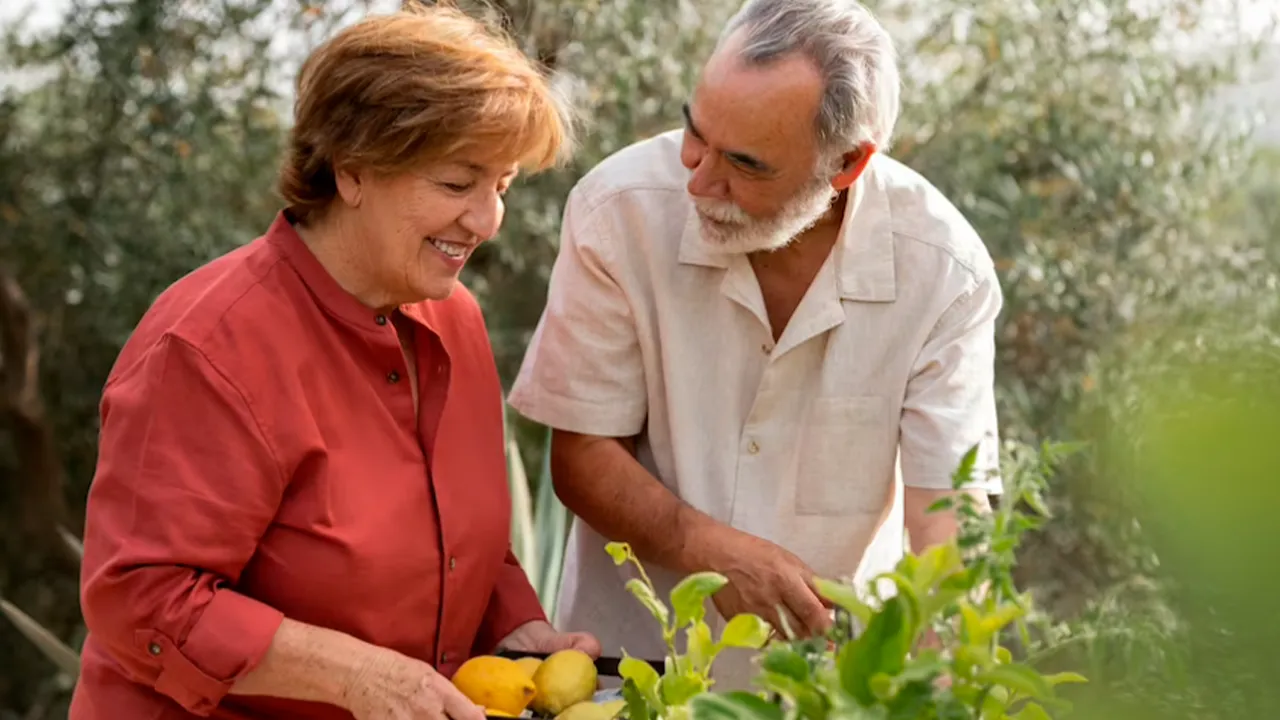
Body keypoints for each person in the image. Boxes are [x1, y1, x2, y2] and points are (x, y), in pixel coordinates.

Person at [69, 6, 599, 719]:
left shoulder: (456, 319)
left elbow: (457, 538)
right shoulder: (206, 348)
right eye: (456, 184)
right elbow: (141, 600)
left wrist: (513, 628)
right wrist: (357, 677)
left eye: (501, 186)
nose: (487, 220)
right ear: (353, 170)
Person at [507, 0, 1003, 690]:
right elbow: (583, 454)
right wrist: (707, 549)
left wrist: (945, 679)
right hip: (630, 673)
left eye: (745, 164)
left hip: (828, 688)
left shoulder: (945, 272)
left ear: (848, 165)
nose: (699, 180)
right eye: (694, 131)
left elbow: (948, 514)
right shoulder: (616, 210)